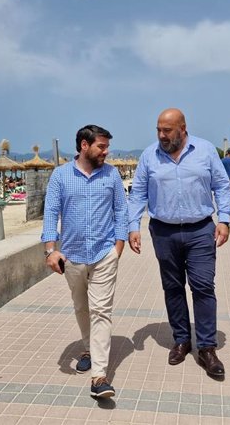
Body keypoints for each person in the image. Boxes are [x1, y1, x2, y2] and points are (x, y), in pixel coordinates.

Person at [128, 108, 230, 378]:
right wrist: (133, 227)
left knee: (203, 286)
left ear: (183, 128)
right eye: (159, 130)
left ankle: (207, 347)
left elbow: (221, 186)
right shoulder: (149, 155)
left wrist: (225, 220)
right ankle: (182, 340)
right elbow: (138, 193)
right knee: (172, 287)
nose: (162, 135)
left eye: (167, 130)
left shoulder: (206, 150)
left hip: (200, 230)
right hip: (163, 231)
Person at [41, 124, 128, 399]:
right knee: (82, 307)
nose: (106, 151)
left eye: (106, 146)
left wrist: (118, 247)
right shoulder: (60, 176)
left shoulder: (111, 174)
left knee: (101, 311)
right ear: (84, 146)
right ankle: (88, 348)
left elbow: (121, 211)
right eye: (101, 146)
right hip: (73, 256)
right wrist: (50, 250)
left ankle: (99, 377)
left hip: (104, 254)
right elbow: (50, 213)